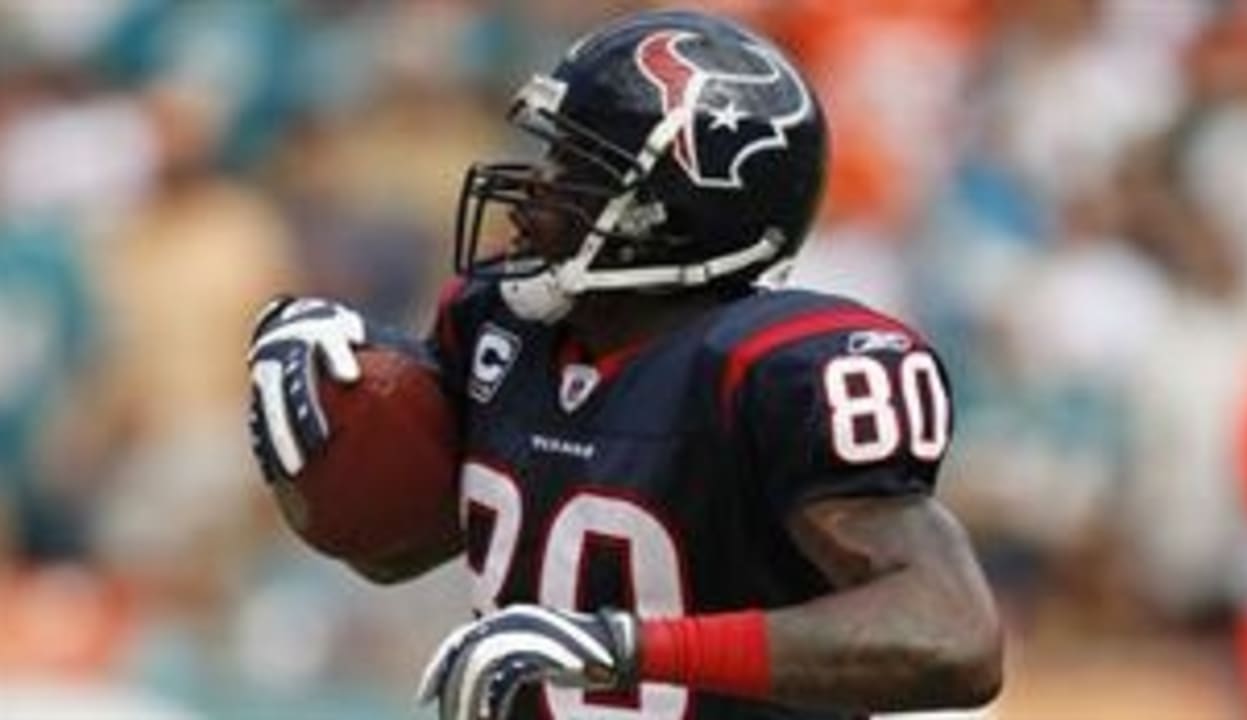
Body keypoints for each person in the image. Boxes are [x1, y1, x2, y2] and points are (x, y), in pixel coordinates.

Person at [247, 10, 1002, 720]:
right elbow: (396, 554)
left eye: (580, 169)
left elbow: (953, 639)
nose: (537, 187)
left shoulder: (775, 370)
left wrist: (624, 648)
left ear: (676, 209)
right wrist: (323, 432)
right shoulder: (498, 326)